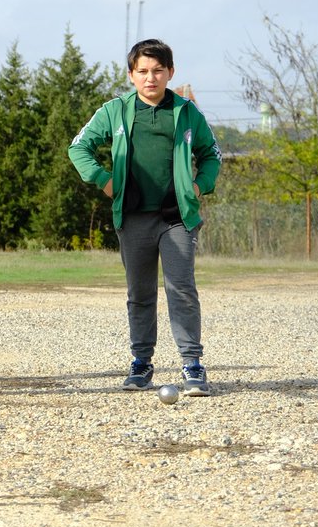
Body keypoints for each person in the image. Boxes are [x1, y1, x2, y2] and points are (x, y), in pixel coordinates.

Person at [68, 38, 222, 396]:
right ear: (131, 75)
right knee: (140, 293)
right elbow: (79, 147)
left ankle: (192, 365)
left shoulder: (186, 113)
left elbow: (212, 154)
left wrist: (199, 188)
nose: (150, 78)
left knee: (181, 288)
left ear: (170, 72)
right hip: (133, 216)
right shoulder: (114, 111)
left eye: (157, 71)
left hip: (176, 217)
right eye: (142, 71)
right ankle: (141, 364)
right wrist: (105, 182)